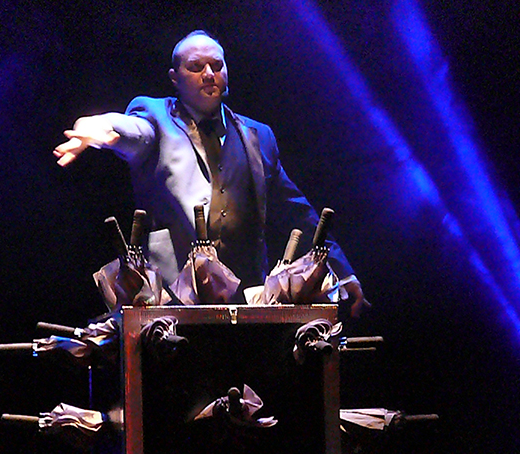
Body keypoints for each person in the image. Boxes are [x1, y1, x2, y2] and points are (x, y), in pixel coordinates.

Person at [54, 30, 367, 316]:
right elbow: (131, 131)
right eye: (195, 67)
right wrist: (97, 128)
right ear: (175, 78)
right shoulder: (156, 117)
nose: (208, 74)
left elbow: (297, 213)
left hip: (247, 300)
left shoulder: (258, 136)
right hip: (171, 300)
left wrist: (343, 272)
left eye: (217, 66)